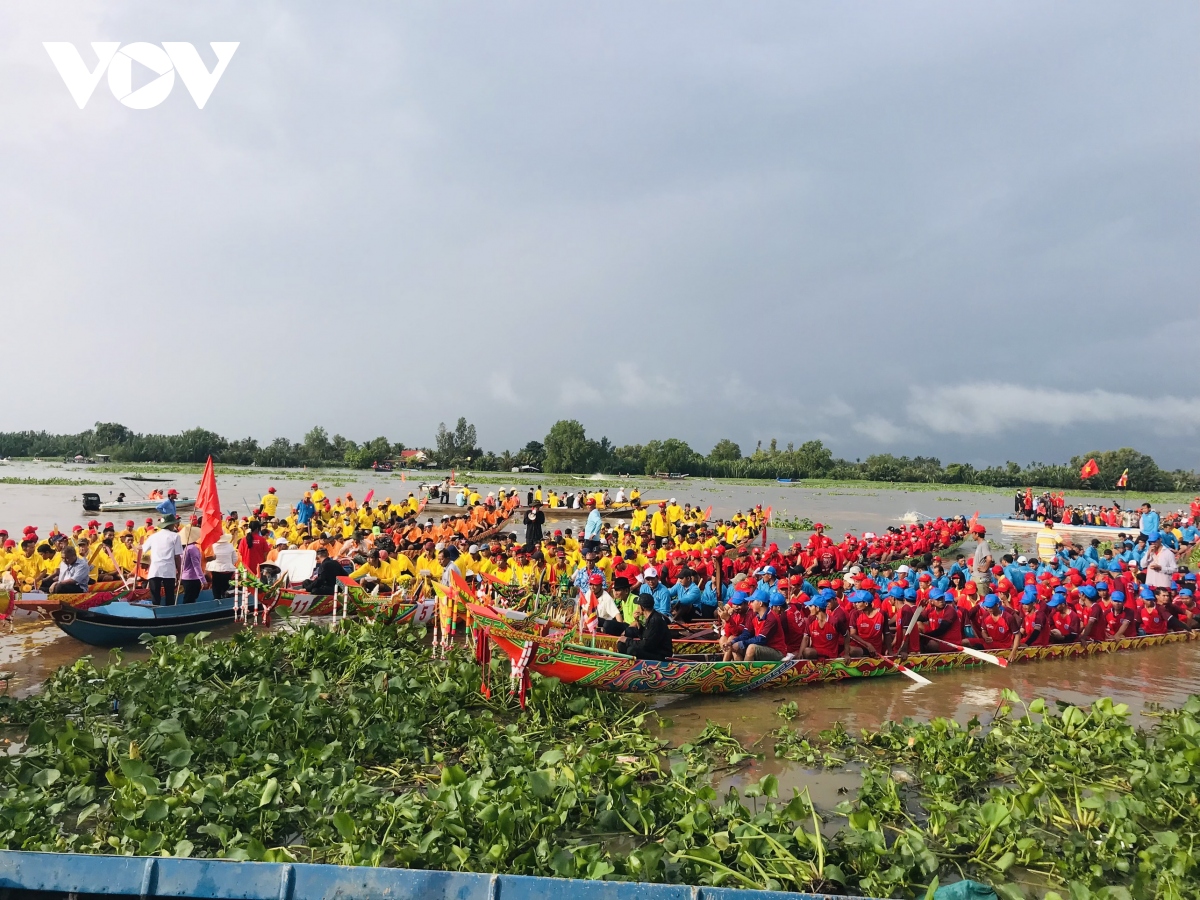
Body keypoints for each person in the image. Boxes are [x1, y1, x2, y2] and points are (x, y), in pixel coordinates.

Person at [143, 515, 183, 605]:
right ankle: (170, 613)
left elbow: (143, 549)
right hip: (168, 570)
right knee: (169, 596)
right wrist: (180, 571)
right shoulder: (175, 536)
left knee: (155, 597)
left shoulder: (153, 536)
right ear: (170, 525)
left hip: (155, 570)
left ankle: (156, 611)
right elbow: (177, 556)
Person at [617, 594, 672, 660]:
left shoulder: (655, 620)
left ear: (642, 607)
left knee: (632, 650)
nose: (637, 607)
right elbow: (644, 637)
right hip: (652, 649)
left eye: (638, 605)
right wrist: (637, 621)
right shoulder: (650, 617)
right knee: (621, 644)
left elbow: (646, 645)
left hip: (661, 654)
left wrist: (627, 640)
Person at [207, 532, 238, 598]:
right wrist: (229, 564)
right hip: (228, 571)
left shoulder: (213, 546)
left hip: (216, 570)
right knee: (226, 588)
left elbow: (210, 557)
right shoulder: (230, 546)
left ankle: (217, 600)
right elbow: (235, 558)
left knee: (216, 588)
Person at [179, 525, 205, 603]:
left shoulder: (182, 548)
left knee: (188, 597)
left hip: (184, 577)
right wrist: (203, 580)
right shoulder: (192, 548)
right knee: (190, 598)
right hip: (192, 578)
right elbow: (196, 565)